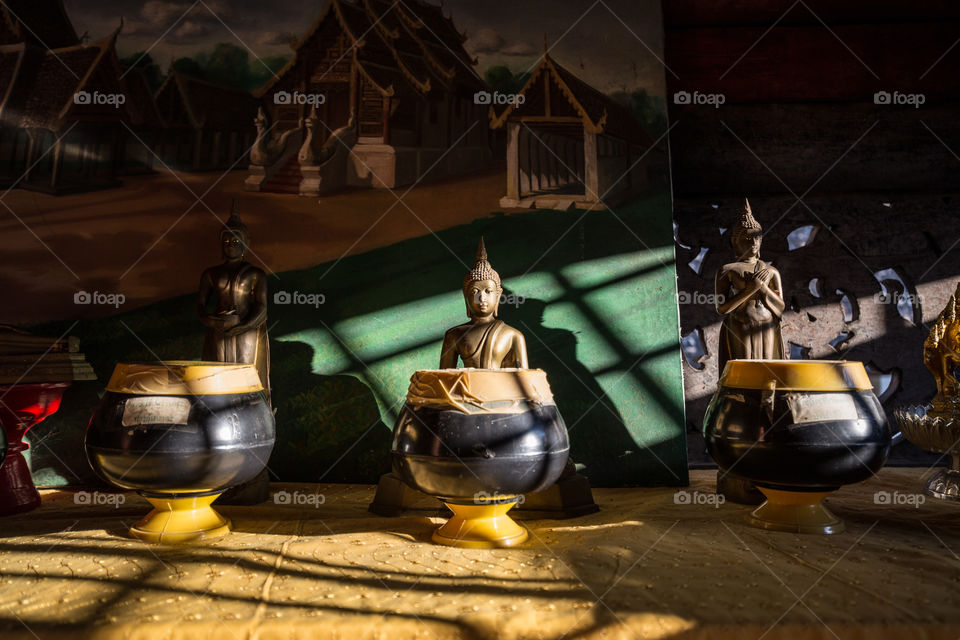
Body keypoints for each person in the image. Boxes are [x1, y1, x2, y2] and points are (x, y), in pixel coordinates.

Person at [197, 207, 271, 405]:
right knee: (219, 371)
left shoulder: (256, 274)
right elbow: (200, 305)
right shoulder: (211, 273)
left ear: (246, 244)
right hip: (219, 328)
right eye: (226, 241)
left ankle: (251, 407)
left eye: (236, 241)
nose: (231, 245)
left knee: (246, 371)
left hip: (246, 329)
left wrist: (244, 326)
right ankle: (219, 408)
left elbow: (262, 307)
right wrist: (209, 320)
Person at [715, 199, 785, 377]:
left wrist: (762, 289)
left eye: (757, 237)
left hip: (767, 322)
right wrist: (749, 290)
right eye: (747, 238)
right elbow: (722, 308)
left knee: (767, 371)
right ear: (735, 241)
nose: (753, 242)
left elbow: (780, 306)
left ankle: (768, 402)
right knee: (746, 372)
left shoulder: (771, 271)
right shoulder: (727, 270)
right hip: (741, 323)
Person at [440, 238, 528, 369]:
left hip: (501, 389)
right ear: (466, 297)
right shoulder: (454, 335)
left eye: (488, 291)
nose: (482, 297)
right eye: (475, 291)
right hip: (466, 389)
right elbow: (443, 379)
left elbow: (525, 379)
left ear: (498, 296)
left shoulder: (513, 335)